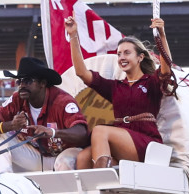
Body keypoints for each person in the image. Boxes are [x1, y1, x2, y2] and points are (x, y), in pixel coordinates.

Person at [64, 16, 173, 168]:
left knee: (100, 131)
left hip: (147, 143)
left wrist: (161, 35)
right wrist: (73, 36)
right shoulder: (115, 86)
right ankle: (93, 191)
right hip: (121, 141)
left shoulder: (151, 82)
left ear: (140, 57)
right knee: (83, 157)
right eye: (119, 54)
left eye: (127, 53)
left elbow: (166, 69)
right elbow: (82, 73)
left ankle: (101, 177)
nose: (121, 57)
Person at [0, 57, 89, 173]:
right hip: (37, 156)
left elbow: (82, 133)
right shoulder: (18, 98)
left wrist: (52, 132)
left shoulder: (62, 101)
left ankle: (68, 191)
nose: (21, 85)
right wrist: (11, 125)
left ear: (42, 83)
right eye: (19, 81)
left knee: (65, 162)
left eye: (27, 81)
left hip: (64, 155)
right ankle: (2, 182)